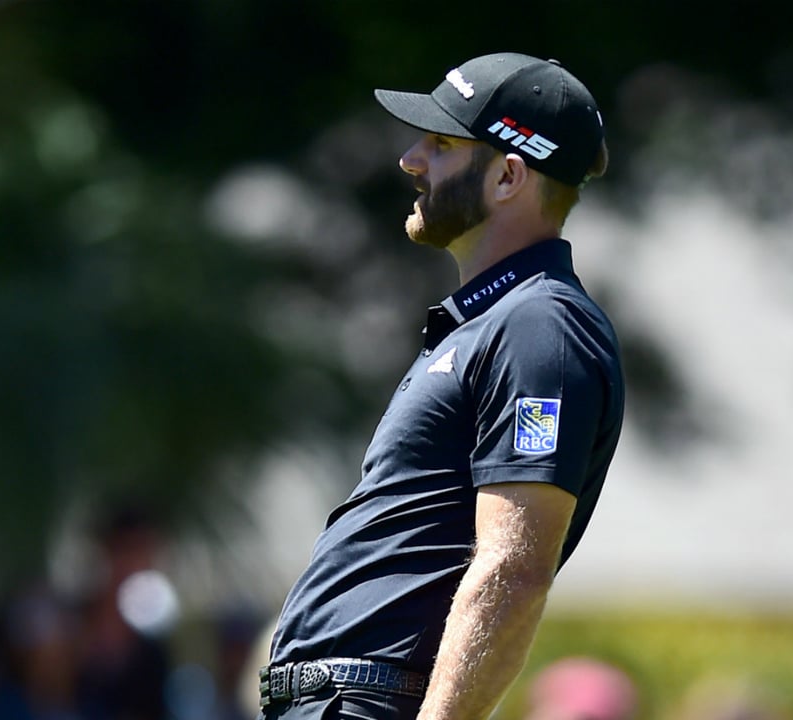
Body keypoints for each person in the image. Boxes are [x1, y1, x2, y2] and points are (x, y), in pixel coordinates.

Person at [257, 52, 625, 720]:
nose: (410, 159)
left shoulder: (540, 326)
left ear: (509, 176)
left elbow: (513, 568)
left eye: (442, 144)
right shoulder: (491, 324)